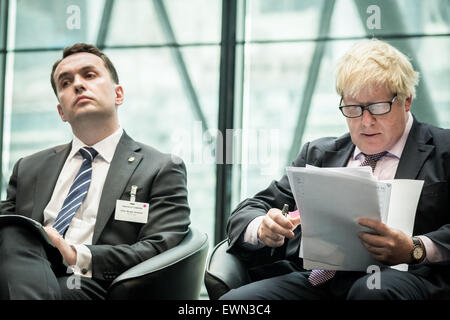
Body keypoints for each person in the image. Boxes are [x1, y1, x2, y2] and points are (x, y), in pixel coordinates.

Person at [221, 39, 450, 300]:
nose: (365, 121)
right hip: (319, 280)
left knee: (370, 292)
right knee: (236, 303)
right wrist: (263, 227)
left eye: (377, 107)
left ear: (406, 101)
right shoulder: (319, 154)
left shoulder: (444, 150)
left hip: (407, 279)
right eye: (353, 109)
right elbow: (249, 210)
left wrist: (416, 248)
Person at [0, 43, 190, 300]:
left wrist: (74, 254)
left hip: (89, 283)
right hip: (19, 274)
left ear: (118, 94)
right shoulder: (29, 167)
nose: (77, 85)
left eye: (89, 75)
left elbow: (158, 249)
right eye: (65, 83)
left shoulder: (160, 168)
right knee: (12, 231)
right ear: (61, 112)